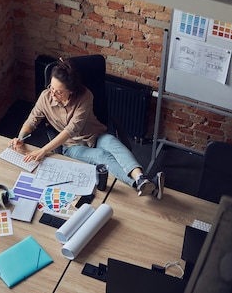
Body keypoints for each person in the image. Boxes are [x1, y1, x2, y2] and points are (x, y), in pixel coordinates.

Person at [9, 58, 164, 199]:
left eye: (58, 91)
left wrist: (43, 151)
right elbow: (32, 120)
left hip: (96, 135)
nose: (53, 94)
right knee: (104, 157)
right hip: (72, 146)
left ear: (71, 90)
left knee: (114, 144)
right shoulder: (46, 97)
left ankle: (141, 178)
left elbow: (72, 128)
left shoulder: (85, 96)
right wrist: (21, 137)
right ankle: (146, 185)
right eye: (51, 87)